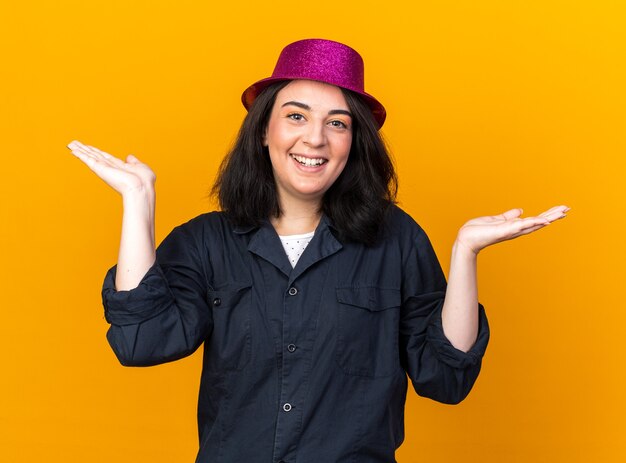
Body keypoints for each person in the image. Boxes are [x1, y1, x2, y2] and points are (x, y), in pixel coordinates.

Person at [68, 39, 568, 463]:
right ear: (264, 131)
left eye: (337, 123)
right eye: (296, 116)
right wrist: (138, 205)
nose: (315, 138)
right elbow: (142, 343)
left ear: (354, 142)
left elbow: (446, 379)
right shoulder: (206, 242)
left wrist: (465, 254)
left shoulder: (396, 238)